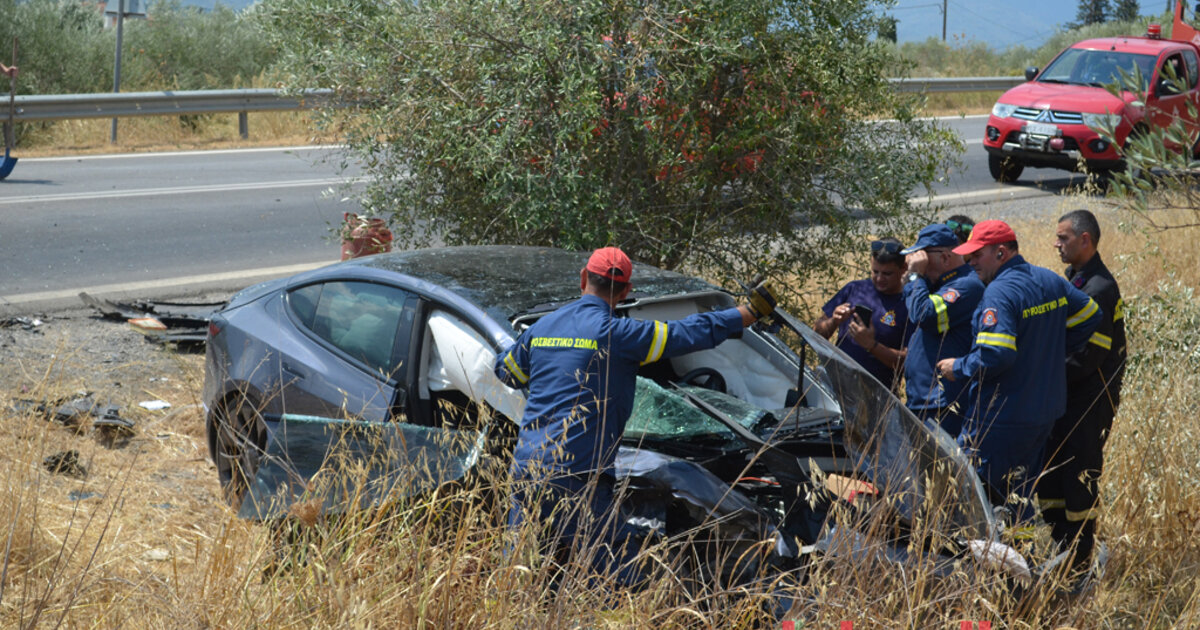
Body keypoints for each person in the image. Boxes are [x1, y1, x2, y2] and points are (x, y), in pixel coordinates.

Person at [493, 246, 776, 580]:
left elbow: (506, 372)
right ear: (626, 291)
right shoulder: (620, 335)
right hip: (579, 474)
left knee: (521, 572)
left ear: (583, 278)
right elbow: (687, 332)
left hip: (528, 469)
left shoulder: (542, 329)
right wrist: (747, 313)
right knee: (614, 576)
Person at [935, 220, 1101, 512]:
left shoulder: (999, 293)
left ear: (1001, 252)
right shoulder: (1048, 279)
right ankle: (1021, 541)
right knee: (1018, 497)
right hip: (1042, 414)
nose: (970, 261)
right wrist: (1048, 350)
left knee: (975, 499)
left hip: (1001, 418)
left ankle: (997, 543)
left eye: (977, 254)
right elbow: (1090, 313)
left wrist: (957, 367)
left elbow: (995, 354)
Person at [1038, 210, 1126, 574]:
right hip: (1066, 400)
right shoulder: (1076, 280)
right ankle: (1063, 552)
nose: (1056, 244)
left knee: (1078, 481)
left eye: (1063, 238)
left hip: (1088, 404)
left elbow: (1088, 357)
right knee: (1051, 479)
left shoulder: (1099, 289)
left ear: (1085, 239)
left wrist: (1038, 374)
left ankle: (1079, 563)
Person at [900, 224, 985, 436]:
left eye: (923, 257)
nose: (918, 263)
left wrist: (915, 277)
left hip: (943, 403)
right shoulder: (938, 284)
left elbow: (923, 315)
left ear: (945, 257)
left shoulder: (966, 285)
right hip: (924, 401)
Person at [814, 238, 912, 392]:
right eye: (875, 271)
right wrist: (834, 321)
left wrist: (871, 345)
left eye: (887, 274)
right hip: (835, 382)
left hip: (875, 395)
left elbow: (907, 363)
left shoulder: (909, 305)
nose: (879, 278)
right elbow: (817, 333)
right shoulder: (854, 289)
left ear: (903, 268)